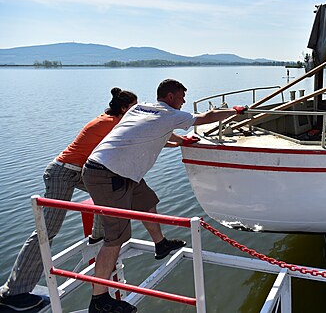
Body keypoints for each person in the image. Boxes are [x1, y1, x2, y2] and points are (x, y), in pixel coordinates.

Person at [82, 79, 246, 313]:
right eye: (181, 97)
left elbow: (157, 135)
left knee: (147, 200)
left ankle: (160, 244)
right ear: (170, 97)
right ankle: (99, 300)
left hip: (116, 170)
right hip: (109, 175)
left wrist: (182, 141)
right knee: (115, 237)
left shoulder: (142, 108)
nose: (184, 101)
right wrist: (235, 111)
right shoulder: (170, 114)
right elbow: (205, 117)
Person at [0, 88, 138, 312]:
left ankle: (98, 236)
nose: (136, 111)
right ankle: (13, 292)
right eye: (133, 106)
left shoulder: (112, 120)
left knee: (108, 195)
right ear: (124, 108)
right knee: (47, 230)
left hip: (80, 171)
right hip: (62, 172)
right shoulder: (112, 123)